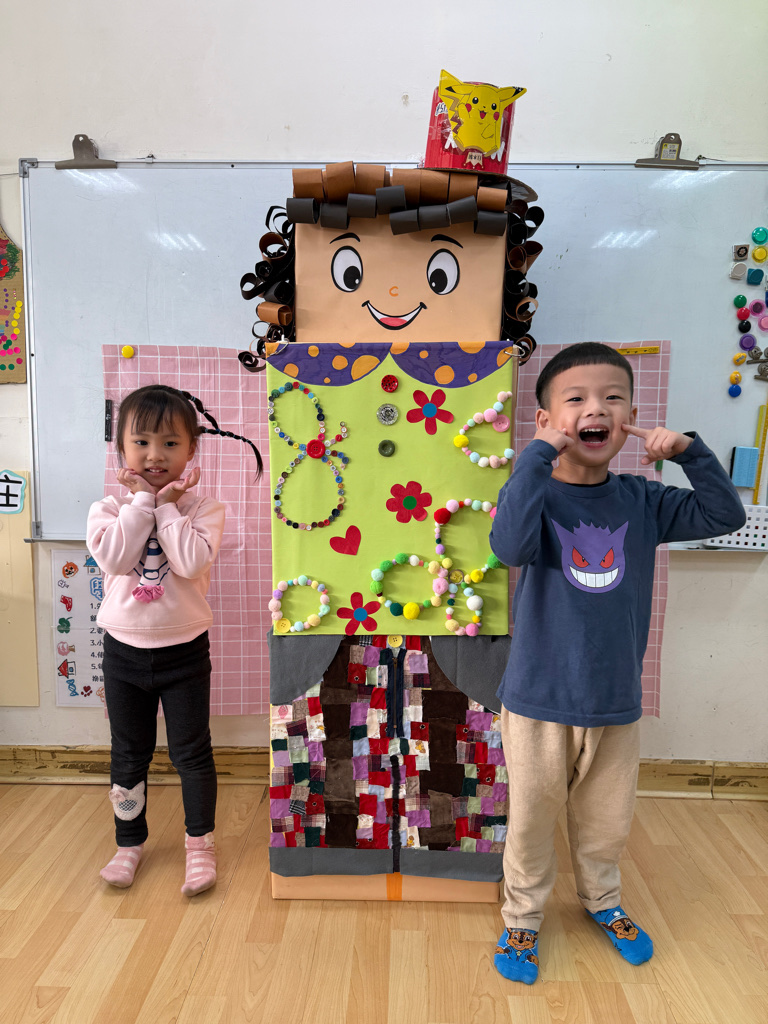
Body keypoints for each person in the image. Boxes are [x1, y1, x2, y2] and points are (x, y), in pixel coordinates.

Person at [489, 342, 746, 983]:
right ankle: (522, 918)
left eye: (612, 398)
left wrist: (689, 452)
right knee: (531, 822)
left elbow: (725, 513)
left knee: (606, 822)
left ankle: (602, 899)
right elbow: (509, 547)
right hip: (539, 699)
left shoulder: (643, 500)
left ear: (630, 414)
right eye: (575, 399)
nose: (595, 409)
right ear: (547, 419)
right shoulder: (535, 494)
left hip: (614, 700)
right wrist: (537, 454)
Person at [87, 384, 226, 895]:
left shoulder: (205, 509)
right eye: (141, 442)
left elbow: (189, 562)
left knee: (192, 753)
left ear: (191, 450)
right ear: (121, 449)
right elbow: (116, 558)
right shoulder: (107, 510)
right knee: (128, 754)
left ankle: (200, 846)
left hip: (184, 652)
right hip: (123, 652)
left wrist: (167, 508)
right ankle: (128, 844)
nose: (155, 455)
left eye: (170, 443)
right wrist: (143, 501)